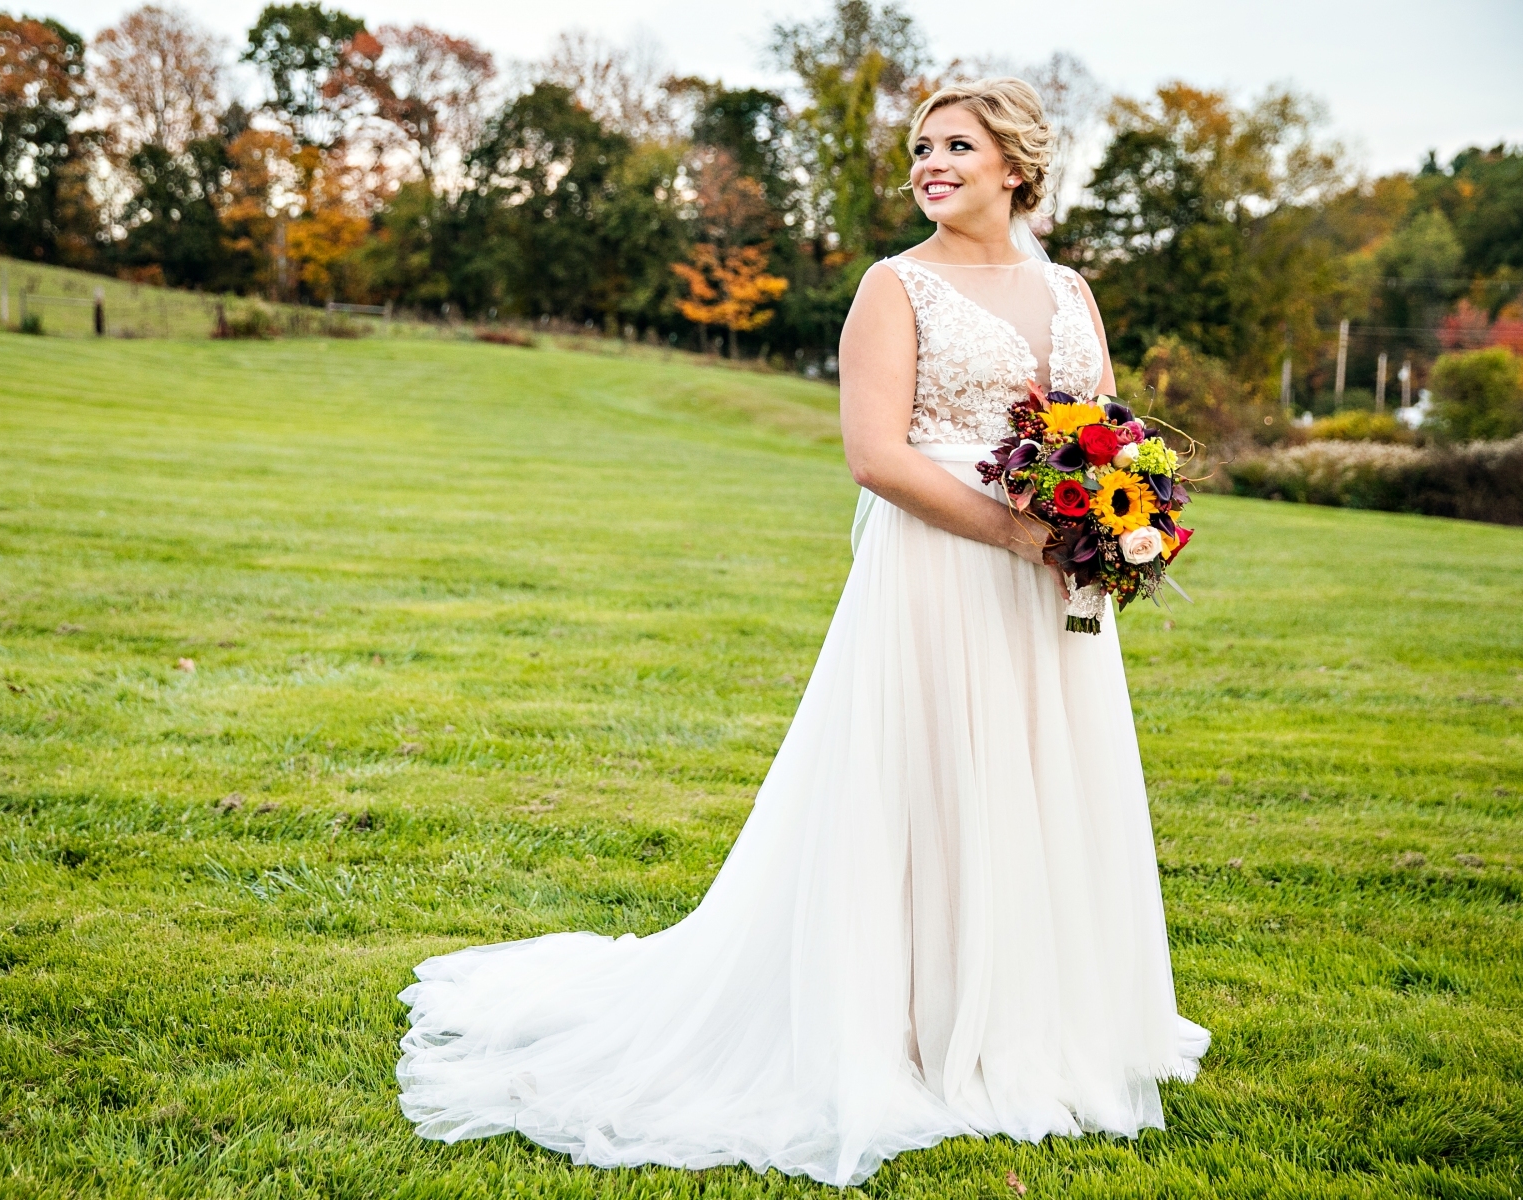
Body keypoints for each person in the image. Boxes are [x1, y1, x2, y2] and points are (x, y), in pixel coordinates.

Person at [396, 78, 1211, 1188]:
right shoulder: (895, 287)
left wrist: (1116, 525)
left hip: (1052, 585)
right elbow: (877, 456)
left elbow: (1108, 433)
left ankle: (1038, 1020)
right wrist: (1018, 537)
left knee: (1040, 781)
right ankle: (911, 1023)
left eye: (956, 147)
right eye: (921, 149)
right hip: (941, 575)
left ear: (1014, 167)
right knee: (925, 784)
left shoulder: (1071, 288)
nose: (930, 164)